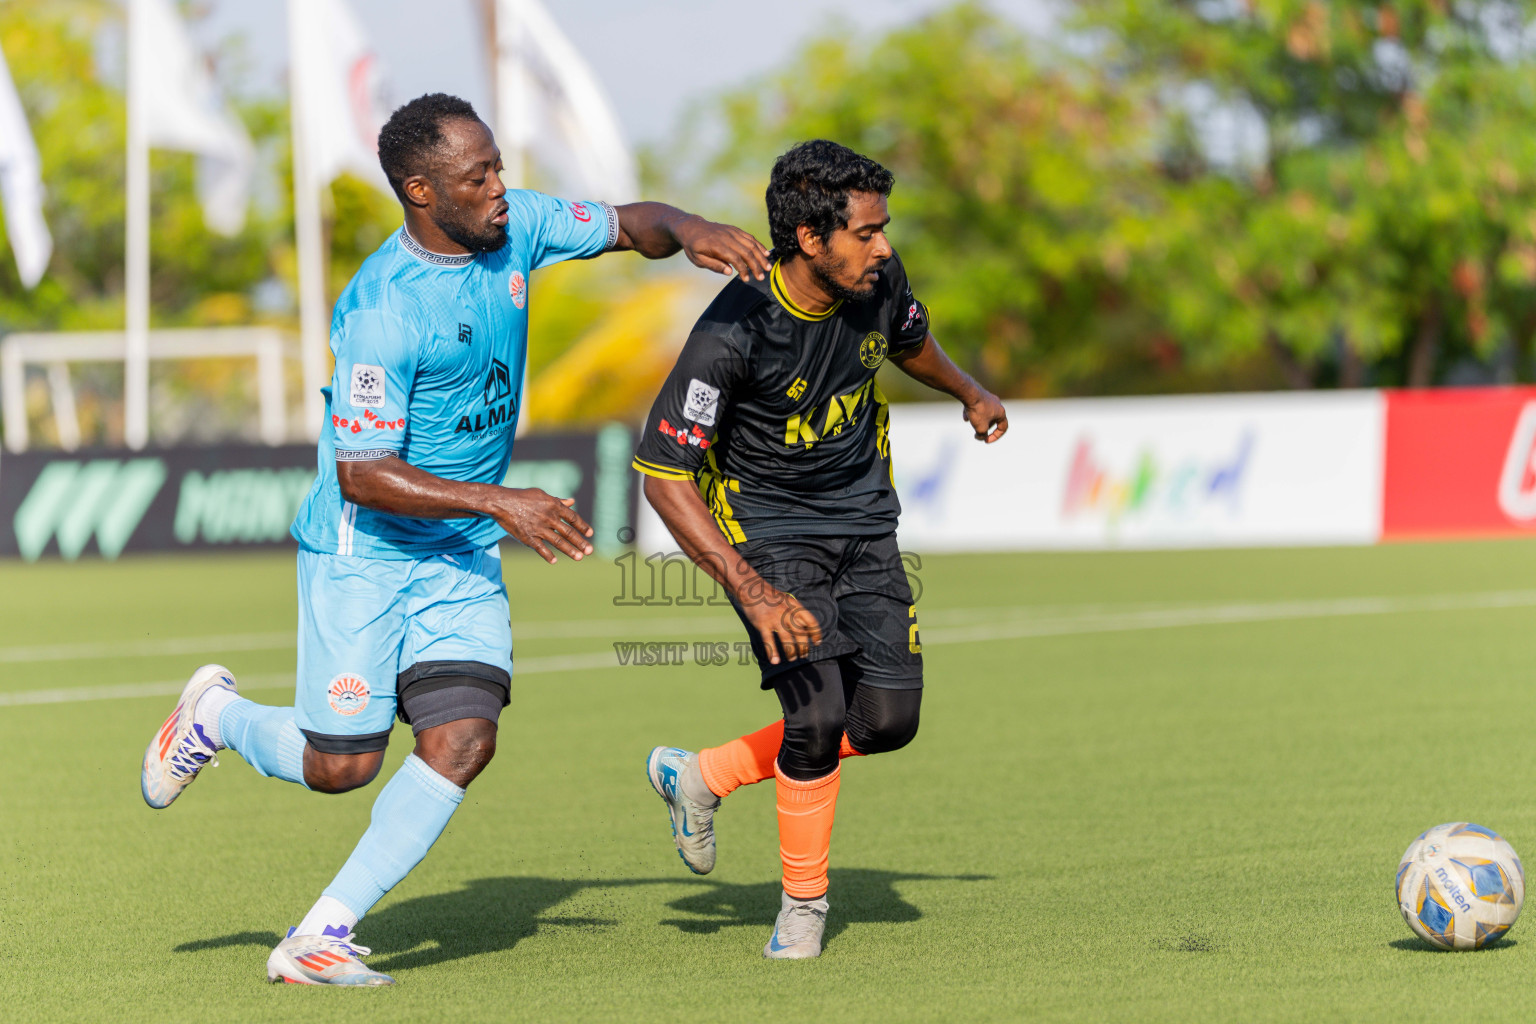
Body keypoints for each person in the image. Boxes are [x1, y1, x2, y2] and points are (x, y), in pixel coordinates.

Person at [139, 93, 769, 987]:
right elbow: (361, 471)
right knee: (342, 765)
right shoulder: (382, 309)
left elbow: (636, 224)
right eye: (479, 178)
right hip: (366, 552)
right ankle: (216, 719)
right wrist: (502, 502)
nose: (502, 189)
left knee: (466, 737)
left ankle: (321, 931)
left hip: (457, 552)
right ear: (421, 190)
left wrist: (693, 227)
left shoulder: (517, 229)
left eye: (500, 167)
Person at [634, 139, 1007, 959]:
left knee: (885, 721)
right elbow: (665, 477)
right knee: (816, 717)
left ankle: (701, 776)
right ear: (810, 239)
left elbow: (908, 343)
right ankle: (803, 908)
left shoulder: (880, 280)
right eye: (866, 233)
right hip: (767, 533)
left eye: (882, 230)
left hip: (867, 519)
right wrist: (754, 590)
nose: (883, 246)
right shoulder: (731, 332)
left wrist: (969, 389)